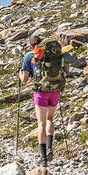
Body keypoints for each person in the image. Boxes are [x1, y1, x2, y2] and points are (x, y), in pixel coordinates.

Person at [18, 35, 68, 166]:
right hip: (56, 90)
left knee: (41, 123)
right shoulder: (54, 55)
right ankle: (50, 148)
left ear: (31, 46)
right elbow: (65, 73)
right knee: (50, 118)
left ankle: (44, 159)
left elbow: (24, 79)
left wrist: (19, 72)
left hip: (41, 92)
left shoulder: (30, 56)